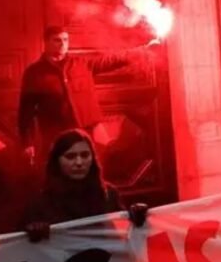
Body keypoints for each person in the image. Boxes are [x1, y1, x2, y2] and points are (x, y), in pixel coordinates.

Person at [18, 26, 149, 168]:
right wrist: (27, 143)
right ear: (46, 42)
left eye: (65, 40)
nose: (62, 44)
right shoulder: (34, 73)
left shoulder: (81, 64)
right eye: (57, 40)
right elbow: (26, 110)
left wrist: (142, 51)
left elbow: (110, 60)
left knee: (89, 170)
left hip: (86, 132)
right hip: (56, 135)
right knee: (62, 172)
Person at [22, 129, 147, 242]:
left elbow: (125, 232)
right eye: (70, 156)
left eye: (85, 155)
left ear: (93, 158)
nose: (79, 162)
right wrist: (33, 231)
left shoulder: (109, 195)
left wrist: (137, 216)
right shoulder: (40, 203)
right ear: (57, 161)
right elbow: (20, 246)